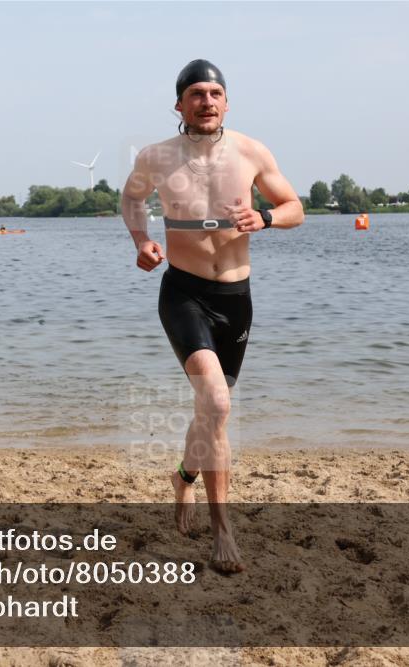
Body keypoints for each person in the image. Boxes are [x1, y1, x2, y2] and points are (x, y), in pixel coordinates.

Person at [121, 59, 304, 573]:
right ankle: (223, 531)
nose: (207, 101)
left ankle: (183, 477)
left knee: (210, 411)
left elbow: (295, 207)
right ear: (179, 104)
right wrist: (142, 241)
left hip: (235, 299)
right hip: (183, 293)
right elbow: (131, 199)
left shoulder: (251, 151)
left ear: (226, 102)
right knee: (219, 403)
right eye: (196, 93)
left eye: (215, 92)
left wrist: (265, 217)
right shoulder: (156, 157)